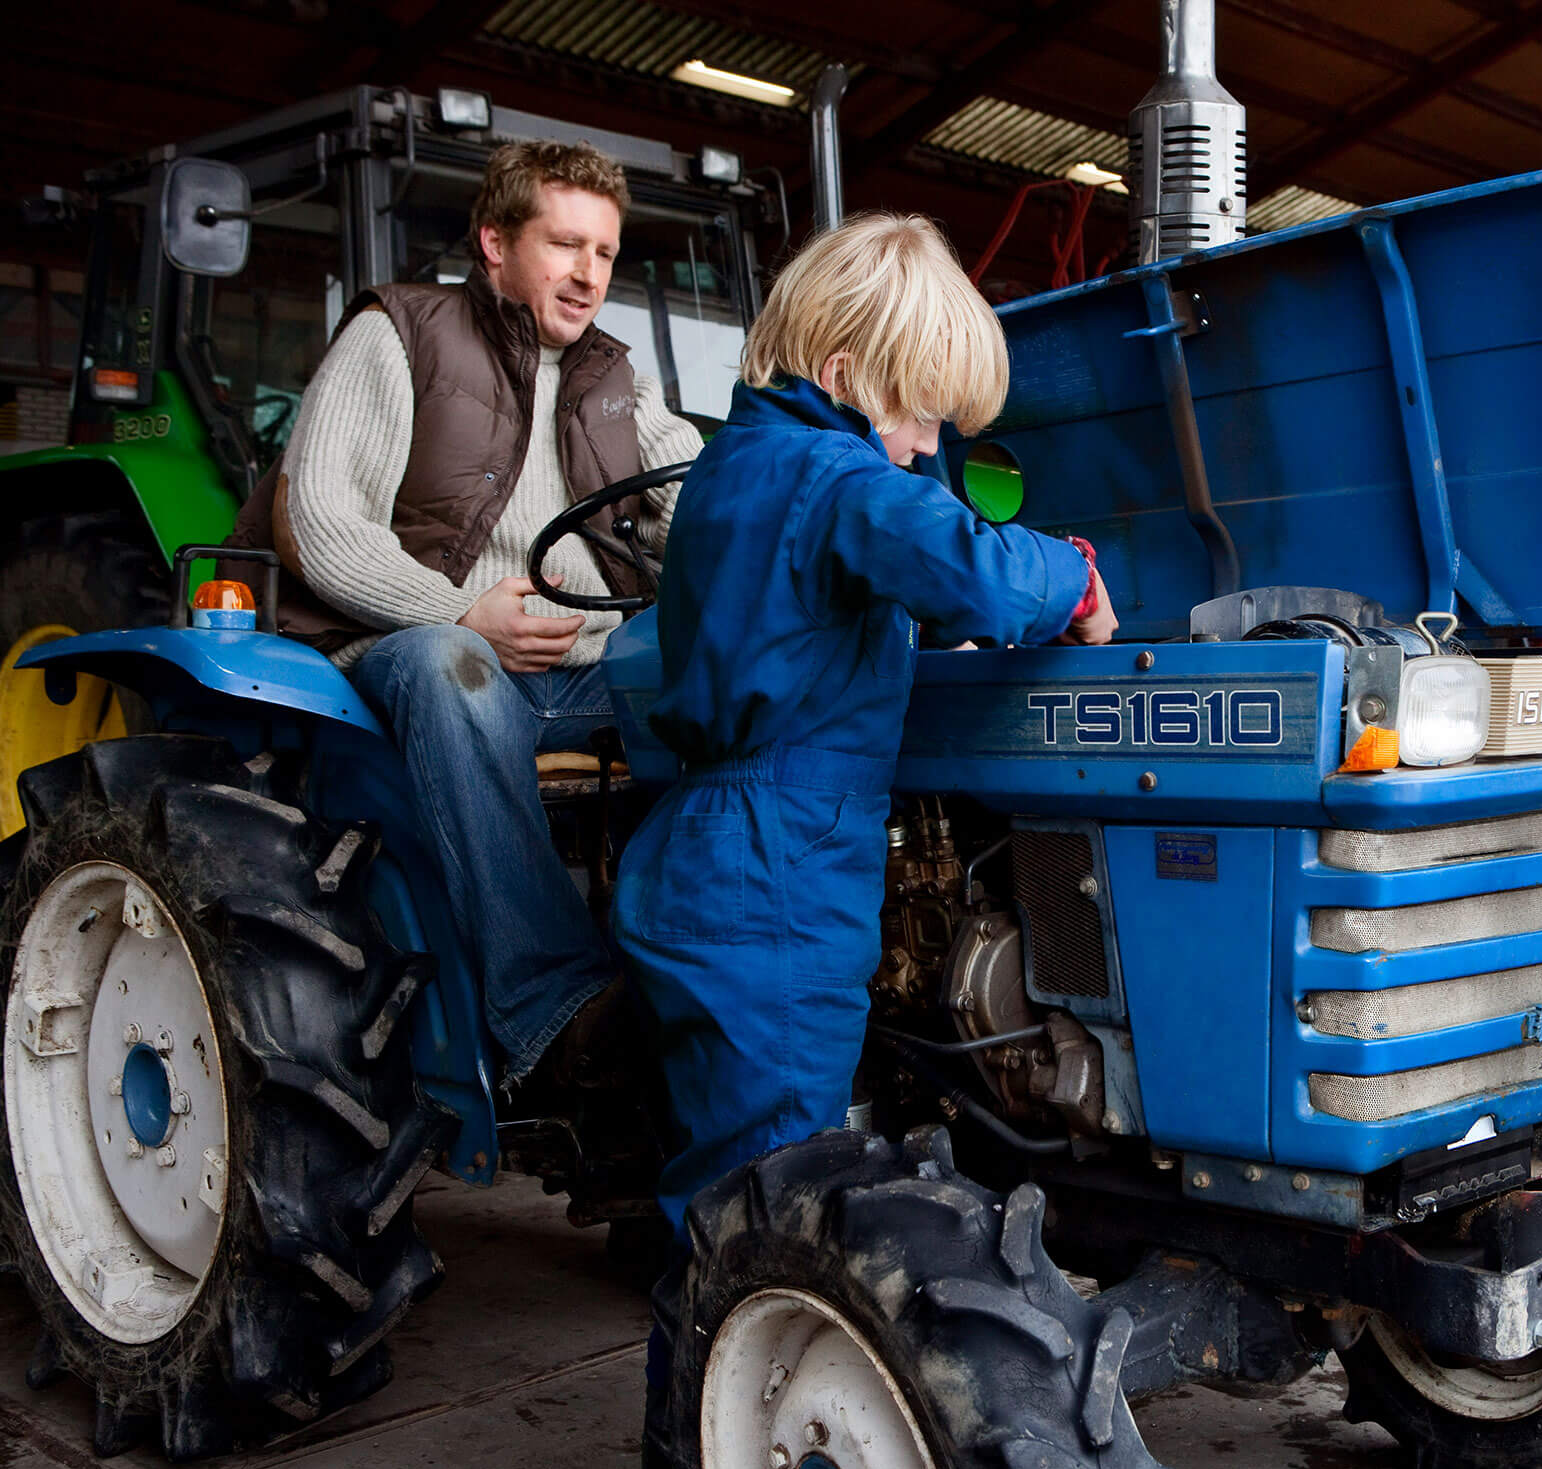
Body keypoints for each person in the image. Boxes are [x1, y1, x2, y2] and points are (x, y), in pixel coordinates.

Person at [612, 211, 1117, 1236]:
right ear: (844, 375)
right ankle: (748, 1334)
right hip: (779, 862)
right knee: (775, 1191)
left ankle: (718, 1321)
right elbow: (975, 571)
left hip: (717, 846)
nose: (928, 446)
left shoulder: (734, 463)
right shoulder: (832, 476)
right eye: (920, 415)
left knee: (728, 1185)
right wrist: (1075, 577)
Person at [230, 140, 705, 1087]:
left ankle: (705, 967)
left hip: (587, 671)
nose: (589, 275)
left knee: (723, 687)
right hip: (419, 651)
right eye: (565, 245)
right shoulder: (401, 333)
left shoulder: (615, 379)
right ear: (495, 242)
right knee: (451, 669)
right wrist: (461, 612)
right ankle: (555, 1006)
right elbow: (319, 522)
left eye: (605, 253)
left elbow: (697, 496)